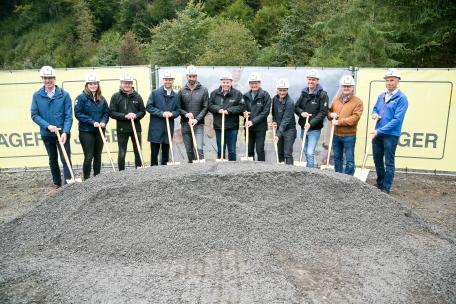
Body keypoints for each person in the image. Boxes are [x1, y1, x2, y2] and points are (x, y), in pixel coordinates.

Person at [31, 66, 73, 192]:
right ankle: (56, 183)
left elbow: (68, 115)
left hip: (62, 134)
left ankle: (68, 184)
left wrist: (65, 131)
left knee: (65, 158)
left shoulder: (64, 95)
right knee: (52, 159)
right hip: (47, 133)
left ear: (54, 79)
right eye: (45, 78)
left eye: (50, 78)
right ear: (42, 79)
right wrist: (47, 126)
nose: (47, 81)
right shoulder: (37, 95)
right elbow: (34, 114)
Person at [371, 68, 408, 193]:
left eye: (392, 80)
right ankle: (380, 183)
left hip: (390, 135)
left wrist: (379, 131)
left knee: (389, 162)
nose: (389, 82)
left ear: (398, 81)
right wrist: (374, 114)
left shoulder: (402, 98)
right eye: (387, 80)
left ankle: (386, 188)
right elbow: (375, 109)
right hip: (378, 133)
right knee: (377, 159)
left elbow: (397, 120)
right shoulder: (381, 95)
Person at [74, 73, 109, 180]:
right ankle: (87, 178)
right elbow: (78, 113)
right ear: (87, 85)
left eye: (95, 84)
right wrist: (92, 122)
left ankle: (97, 177)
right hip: (86, 131)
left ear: (98, 85)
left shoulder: (102, 99)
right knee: (89, 156)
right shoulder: (81, 98)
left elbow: (106, 113)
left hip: (100, 130)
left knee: (98, 155)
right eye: (91, 84)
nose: (93, 85)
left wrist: (103, 121)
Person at [327, 75, 363, 175]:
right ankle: (338, 179)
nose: (346, 88)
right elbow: (329, 113)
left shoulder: (358, 102)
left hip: (349, 136)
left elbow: (354, 119)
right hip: (336, 135)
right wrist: (331, 114)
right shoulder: (336, 100)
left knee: (349, 160)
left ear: (352, 88)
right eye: (344, 86)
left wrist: (339, 122)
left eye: (348, 86)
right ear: (341, 87)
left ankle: (349, 181)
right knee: (337, 159)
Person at [108, 73, 145, 170]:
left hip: (136, 128)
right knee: (122, 152)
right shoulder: (116, 96)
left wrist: (136, 115)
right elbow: (111, 113)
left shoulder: (137, 96)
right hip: (122, 128)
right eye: (125, 83)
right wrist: (125, 116)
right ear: (121, 84)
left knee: (138, 151)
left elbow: (143, 111)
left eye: (129, 83)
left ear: (132, 84)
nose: (127, 85)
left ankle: (139, 171)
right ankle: (121, 173)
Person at [294, 69, 329, 168]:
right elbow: (296, 107)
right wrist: (302, 113)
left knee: (310, 152)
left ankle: (310, 173)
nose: (311, 81)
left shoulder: (322, 95)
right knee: (305, 150)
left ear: (317, 81)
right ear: (307, 80)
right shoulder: (304, 93)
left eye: (313, 79)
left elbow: (323, 112)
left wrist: (311, 123)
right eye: (309, 79)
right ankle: (312, 167)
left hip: (314, 129)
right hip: (303, 128)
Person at [208, 71, 244, 161]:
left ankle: (233, 171)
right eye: (224, 82)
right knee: (220, 150)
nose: (226, 84)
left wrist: (229, 111)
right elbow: (209, 106)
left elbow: (241, 107)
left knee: (232, 150)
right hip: (219, 126)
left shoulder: (237, 94)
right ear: (221, 82)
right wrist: (218, 109)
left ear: (231, 82)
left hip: (232, 127)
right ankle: (220, 171)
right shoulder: (214, 93)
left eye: (227, 82)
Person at [146, 70, 180, 166]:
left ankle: (164, 176)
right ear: (163, 80)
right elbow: (149, 107)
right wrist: (161, 113)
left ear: (173, 81)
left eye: (170, 80)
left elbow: (178, 110)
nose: (168, 81)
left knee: (165, 155)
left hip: (168, 128)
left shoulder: (176, 96)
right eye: (166, 79)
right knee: (154, 154)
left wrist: (172, 114)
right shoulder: (155, 93)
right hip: (156, 127)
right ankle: (153, 173)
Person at [178, 65, 209, 163]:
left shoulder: (203, 90)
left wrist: (197, 119)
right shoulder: (182, 90)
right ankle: (191, 171)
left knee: (199, 148)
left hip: (198, 124)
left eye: (194, 76)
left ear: (196, 77)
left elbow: (206, 107)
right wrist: (186, 114)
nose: (192, 78)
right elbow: (178, 107)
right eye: (190, 76)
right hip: (185, 124)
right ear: (187, 77)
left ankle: (202, 171)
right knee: (189, 150)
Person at [242, 72, 271, 161]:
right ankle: (251, 171)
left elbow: (265, 112)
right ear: (249, 84)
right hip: (248, 128)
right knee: (249, 150)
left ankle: (262, 171)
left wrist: (253, 121)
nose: (254, 85)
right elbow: (242, 108)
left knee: (259, 149)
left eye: (256, 83)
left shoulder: (265, 95)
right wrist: (243, 112)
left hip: (260, 128)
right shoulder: (245, 96)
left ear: (259, 83)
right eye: (252, 83)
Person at [272, 78, 296, 165]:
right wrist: (274, 121)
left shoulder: (290, 102)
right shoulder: (274, 99)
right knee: (279, 152)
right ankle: (281, 172)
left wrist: (278, 135)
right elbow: (274, 114)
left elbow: (285, 120)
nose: (282, 92)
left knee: (287, 153)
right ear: (277, 90)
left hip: (289, 130)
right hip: (279, 129)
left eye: (284, 90)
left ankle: (290, 174)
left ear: (287, 90)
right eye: (280, 90)